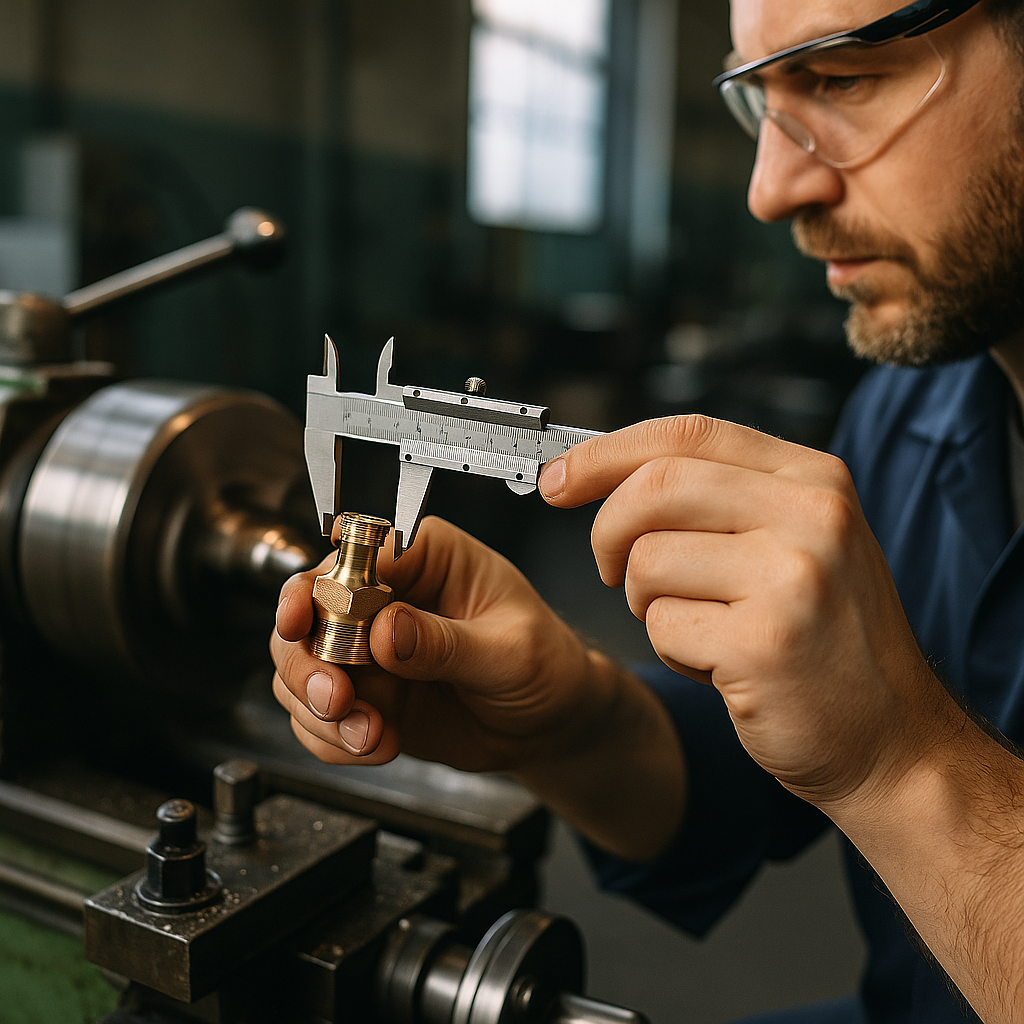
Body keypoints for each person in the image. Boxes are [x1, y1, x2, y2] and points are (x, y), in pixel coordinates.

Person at [271, 0, 1024, 1020]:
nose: (771, 188)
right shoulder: (909, 405)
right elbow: (762, 778)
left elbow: (867, 757)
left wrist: (900, 761)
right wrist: (560, 717)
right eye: (757, 98)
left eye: (843, 80)